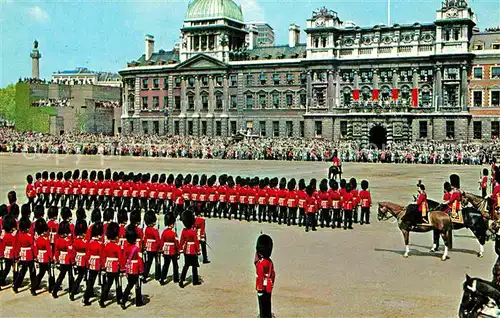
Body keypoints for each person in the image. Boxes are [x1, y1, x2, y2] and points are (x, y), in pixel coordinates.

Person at [121, 224, 145, 308]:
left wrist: (124, 268)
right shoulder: (137, 248)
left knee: (129, 285)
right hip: (135, 269)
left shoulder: (126, 247)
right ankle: (138, 301)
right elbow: (139, 261)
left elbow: (124, 258)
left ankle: (123, 300)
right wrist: (142, 271)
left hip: (128, 269)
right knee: (137, 285)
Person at [100, 222, 123, 308]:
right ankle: (119, 298)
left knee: (108, 284)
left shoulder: (106, 245)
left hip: (108, 265)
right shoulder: (117, 247)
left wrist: (103, 266)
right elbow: (120, 259)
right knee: (118, 283)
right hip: (115, 266)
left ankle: (103, 299)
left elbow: (103, 257)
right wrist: (122, 268)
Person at [12, 217, 36, 295]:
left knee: (22, 271)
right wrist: (35, 255)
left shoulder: (19, 235)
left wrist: (16, 255)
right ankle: (33, 288)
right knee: (32, 272)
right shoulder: (29, 236)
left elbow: (17, 247)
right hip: (29, 255)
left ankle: (16, 285)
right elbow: (33, 246)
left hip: (22, 255)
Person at [52, 221, 75, 299]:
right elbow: (70, 252)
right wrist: (73, 260)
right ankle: (71, 292)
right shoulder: (67, 241)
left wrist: (57, 259)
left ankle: (55, 290)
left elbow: (56, 251)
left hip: (62, 259)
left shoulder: (58, 240)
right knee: (70, 276)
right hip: (68, 259)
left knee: (61, 276)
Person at [83, 222, 104, 306]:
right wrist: (103, 266)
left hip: (90, 263)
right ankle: (88, 297)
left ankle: (86, 297)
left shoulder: (90, 242)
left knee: (90, 281)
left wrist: (87, 263)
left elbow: (87, 254)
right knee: (97, 282)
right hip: (97, 263)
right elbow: (102, 256)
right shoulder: (100, 244)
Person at [179, 209, 201, 288]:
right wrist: (198, 250)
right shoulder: (193, 232)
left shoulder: (184, 231)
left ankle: (181, 279)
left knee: (186, 265)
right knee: (194, 266)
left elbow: (181, 241)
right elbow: (196, 242)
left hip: (186, 250)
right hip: (192, 250)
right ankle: (195, 281)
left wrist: (180, 249)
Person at [255, 234, 275, 318]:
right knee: (267, 303)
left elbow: (260, 277)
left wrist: (259, 289)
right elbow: (272, 274)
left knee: (262, 305)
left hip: (262, 287)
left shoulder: (261, 263)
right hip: (269, 286)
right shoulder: (269, 261)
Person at [32, 218, 55, 293]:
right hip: (46, 258)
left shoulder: (38, 239)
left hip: (40, 257)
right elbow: (49, 250)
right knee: (50, 273)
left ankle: (34, 286)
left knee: (41, 273)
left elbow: (35, 249)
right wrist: (51, 259)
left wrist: (36, 256)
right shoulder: (45, 240)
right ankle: (51, 287)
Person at [160, 213, 180, 285]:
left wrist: (161, 250)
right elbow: (176, 243)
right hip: (173, 251)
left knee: (165, 265)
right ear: (172, 224)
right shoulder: (173, 233)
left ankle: (162, 278)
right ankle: (176, 279)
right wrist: (178, 250)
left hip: (165, 250)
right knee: (175, 265)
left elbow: (161, 241)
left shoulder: (164, 232)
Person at [70, 219, 88, 301]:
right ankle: (87, 292)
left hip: (78, 259)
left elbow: (73, 251)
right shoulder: (85, 241)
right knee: (85, 277)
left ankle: (73, 292)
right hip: (84, 259)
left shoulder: (76, 240)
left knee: (80, 276)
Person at [142, 210, 161, 283]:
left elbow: (145, 239)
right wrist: (159, 248)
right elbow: (158, 240)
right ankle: (157, 276)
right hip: (155, 248)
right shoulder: (154, 230)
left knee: (148, 263)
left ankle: (144, 276)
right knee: (157, 262)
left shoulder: (146, 229)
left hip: (148, 247)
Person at [0, 214, 18, 288]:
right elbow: (15, 245)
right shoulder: (13, 235)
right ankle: (15, 281)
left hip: (6, 253)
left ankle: (2, 279)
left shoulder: (4, 235)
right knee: (15, 268)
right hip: (12, 253)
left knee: (7, 268)